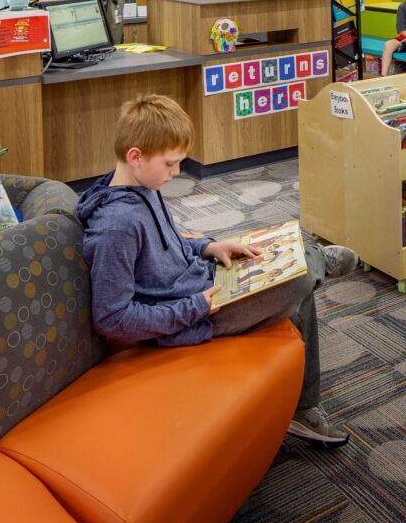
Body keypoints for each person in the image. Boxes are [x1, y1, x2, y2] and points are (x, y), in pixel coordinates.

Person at [78, 93, 359, 446]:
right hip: (197, 316)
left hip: (202, 282)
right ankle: (318, 260)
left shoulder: (138, 186)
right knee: (301, 276)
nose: (176, 173)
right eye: (170, 164)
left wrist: (209, 247)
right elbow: (111, 317)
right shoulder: (116, 226)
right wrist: (193, 307)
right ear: (135, 156)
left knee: (288, 266)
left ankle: (302, 407)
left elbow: (170, 244)